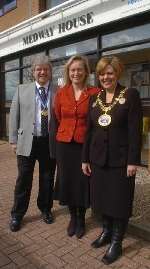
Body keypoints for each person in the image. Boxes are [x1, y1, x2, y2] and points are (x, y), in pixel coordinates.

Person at [82, 56, 142, 264]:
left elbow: (135, 132)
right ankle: (106, 231)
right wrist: (85, 159)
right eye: (102, 73)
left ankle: (116, 242)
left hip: (121, 160)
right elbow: (88, 132)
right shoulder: (94, 99)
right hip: (98, 160)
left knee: (119, 201)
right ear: (98, 77)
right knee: (102, 198)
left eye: (110, 72)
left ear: (117, 73)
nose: (106, 77)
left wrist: (133, 161)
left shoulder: (130, 95)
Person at [53, 55, 100, 239]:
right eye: (73, 70)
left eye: (80, 69)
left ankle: (81, 218)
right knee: (68, 181)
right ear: (68, 72)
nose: (76, 73)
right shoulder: (61, 93)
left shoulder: (95, 92)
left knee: (82, 182)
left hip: (84, 144)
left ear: (86, 72)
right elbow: (58, 116)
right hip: (64, 145)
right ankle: (72, 216)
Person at [9, 55, 56, 232]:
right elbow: (14, 116)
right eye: (38, 69)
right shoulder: (22, 89)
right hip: (26, 141)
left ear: (50, 72)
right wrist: (13, 140)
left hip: (48, 141)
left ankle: (45, 209)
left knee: (47, 178)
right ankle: (17, 214)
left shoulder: (58, 91)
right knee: (23, 179)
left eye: (45, 69)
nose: (42, 72)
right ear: (33, 72)